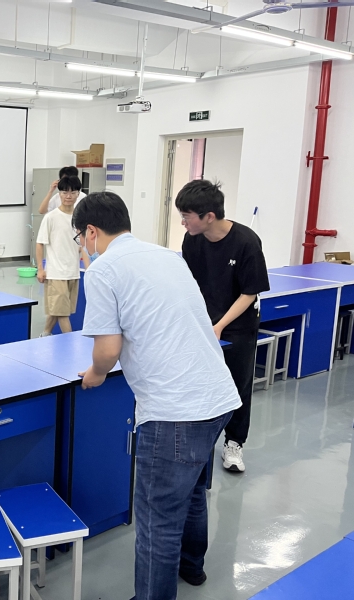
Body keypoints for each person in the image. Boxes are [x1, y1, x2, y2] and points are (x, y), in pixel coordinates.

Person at [73, 191, 241, 600]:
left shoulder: (102, 270)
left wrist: (95, 375)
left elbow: (107, 350)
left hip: (174, 411)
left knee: (157, 519)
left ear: (91, 231)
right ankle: (192, 567)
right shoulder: (168, 256)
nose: (81, 245)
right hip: (217, 396)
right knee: (192, 490)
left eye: (79, 237)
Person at [176, 180, 270, 474]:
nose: (183, 222)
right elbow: (190, 283)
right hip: (204, 323)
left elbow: (250, 293)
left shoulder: (246, 242)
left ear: (209, 216)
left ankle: (234, 443)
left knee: (237, 385)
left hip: (237, 325)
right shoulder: (192, 240)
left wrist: (219, 325)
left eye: (187, 216)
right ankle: (199, 439)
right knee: (199, 381)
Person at [36, 175, 83, 337]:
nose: (68, 196)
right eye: (64, 192)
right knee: (62, 313)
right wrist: (40, 269)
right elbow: (40, 243)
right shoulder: (51, 217)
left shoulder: (80, 218)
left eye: (72, 192)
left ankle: (45, 335)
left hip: (73, 272)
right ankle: (70, 342)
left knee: (58, 309)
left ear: (78, 194)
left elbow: (82, 245)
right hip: (56, 272)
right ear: (59, 194)